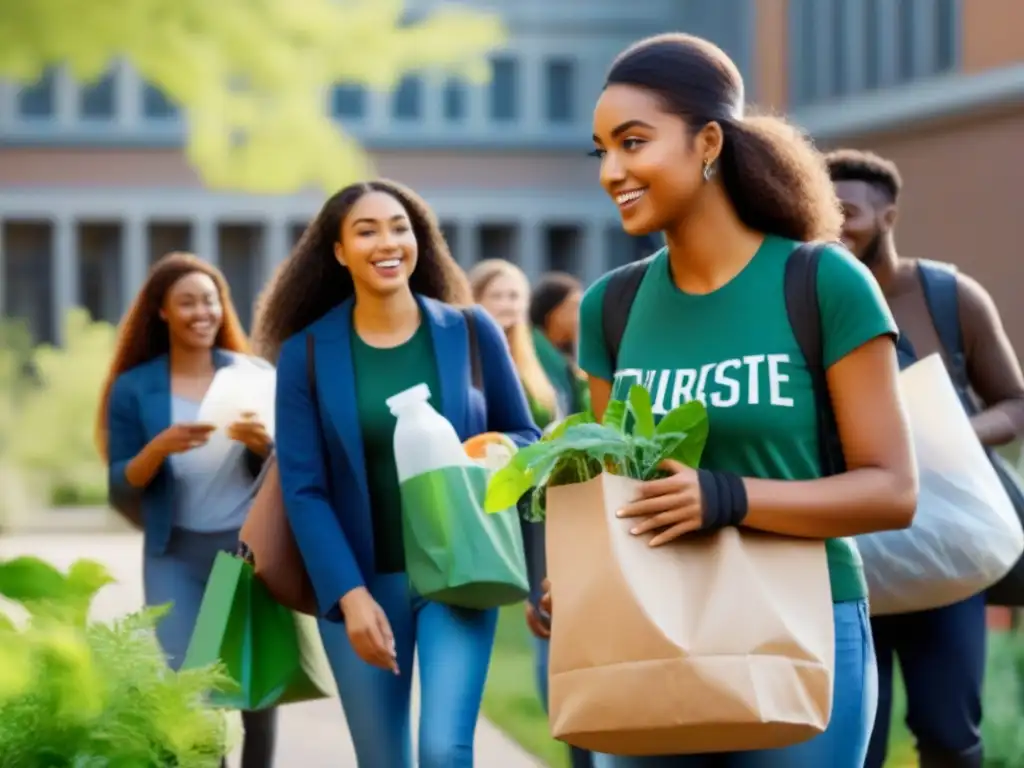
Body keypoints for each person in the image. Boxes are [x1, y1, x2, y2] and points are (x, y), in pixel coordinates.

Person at [546, 33, 919, 767]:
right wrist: (576, 571)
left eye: (632, 142)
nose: (612, 171)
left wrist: (726, 497)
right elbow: (610, 487)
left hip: (799, 625)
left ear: (708, 141)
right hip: (648, 631)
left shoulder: (822, 284)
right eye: (601, 152)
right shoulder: (610, 308)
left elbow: (893, 491)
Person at [250, 179, 540, 768]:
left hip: (460, 571)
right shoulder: (307, 353)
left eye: (400, 227)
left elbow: (526, 438)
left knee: (443, 748)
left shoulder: (470, 331)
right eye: (367, 230)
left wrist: (491, 448)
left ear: (419, 240)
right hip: (359, 580)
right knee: (383, 760)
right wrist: (350, 598)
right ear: (338, 252)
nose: (388, 242)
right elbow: (305, 489)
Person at [826, 148, 1024, 768]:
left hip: (945, 547)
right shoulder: (810, 299)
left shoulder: (948, 295)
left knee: (949, 732)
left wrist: (950, 430)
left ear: (889, 215)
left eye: (849, 211)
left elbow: (1016, 402)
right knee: (857, 739)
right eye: (822, 211)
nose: (835, 225)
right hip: (849, 552)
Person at [96, 251, 278, 768]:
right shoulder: (135, 387)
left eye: (210, 300)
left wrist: (265, 444)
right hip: (175, 554)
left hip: (243, 552)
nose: (202, 312)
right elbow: (117, 482)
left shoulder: (253, 373)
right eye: (187, 302)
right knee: (188, 691)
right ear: (162, 312)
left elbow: (294, 466)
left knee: (253, 694)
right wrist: (159, 448)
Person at [468, 260, 594, 768]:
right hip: (495, 511)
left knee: (561, 622)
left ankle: (581, 743)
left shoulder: (542, 363)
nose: (509, 306)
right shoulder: (466, 358)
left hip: (551, 508)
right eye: (497, 295)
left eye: (516, 295)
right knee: (543, 620)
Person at [530, 271, 589, 417]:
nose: (580, 314)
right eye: (574, 307)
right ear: (551, 312)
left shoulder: (568, 353)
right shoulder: (532, 351)